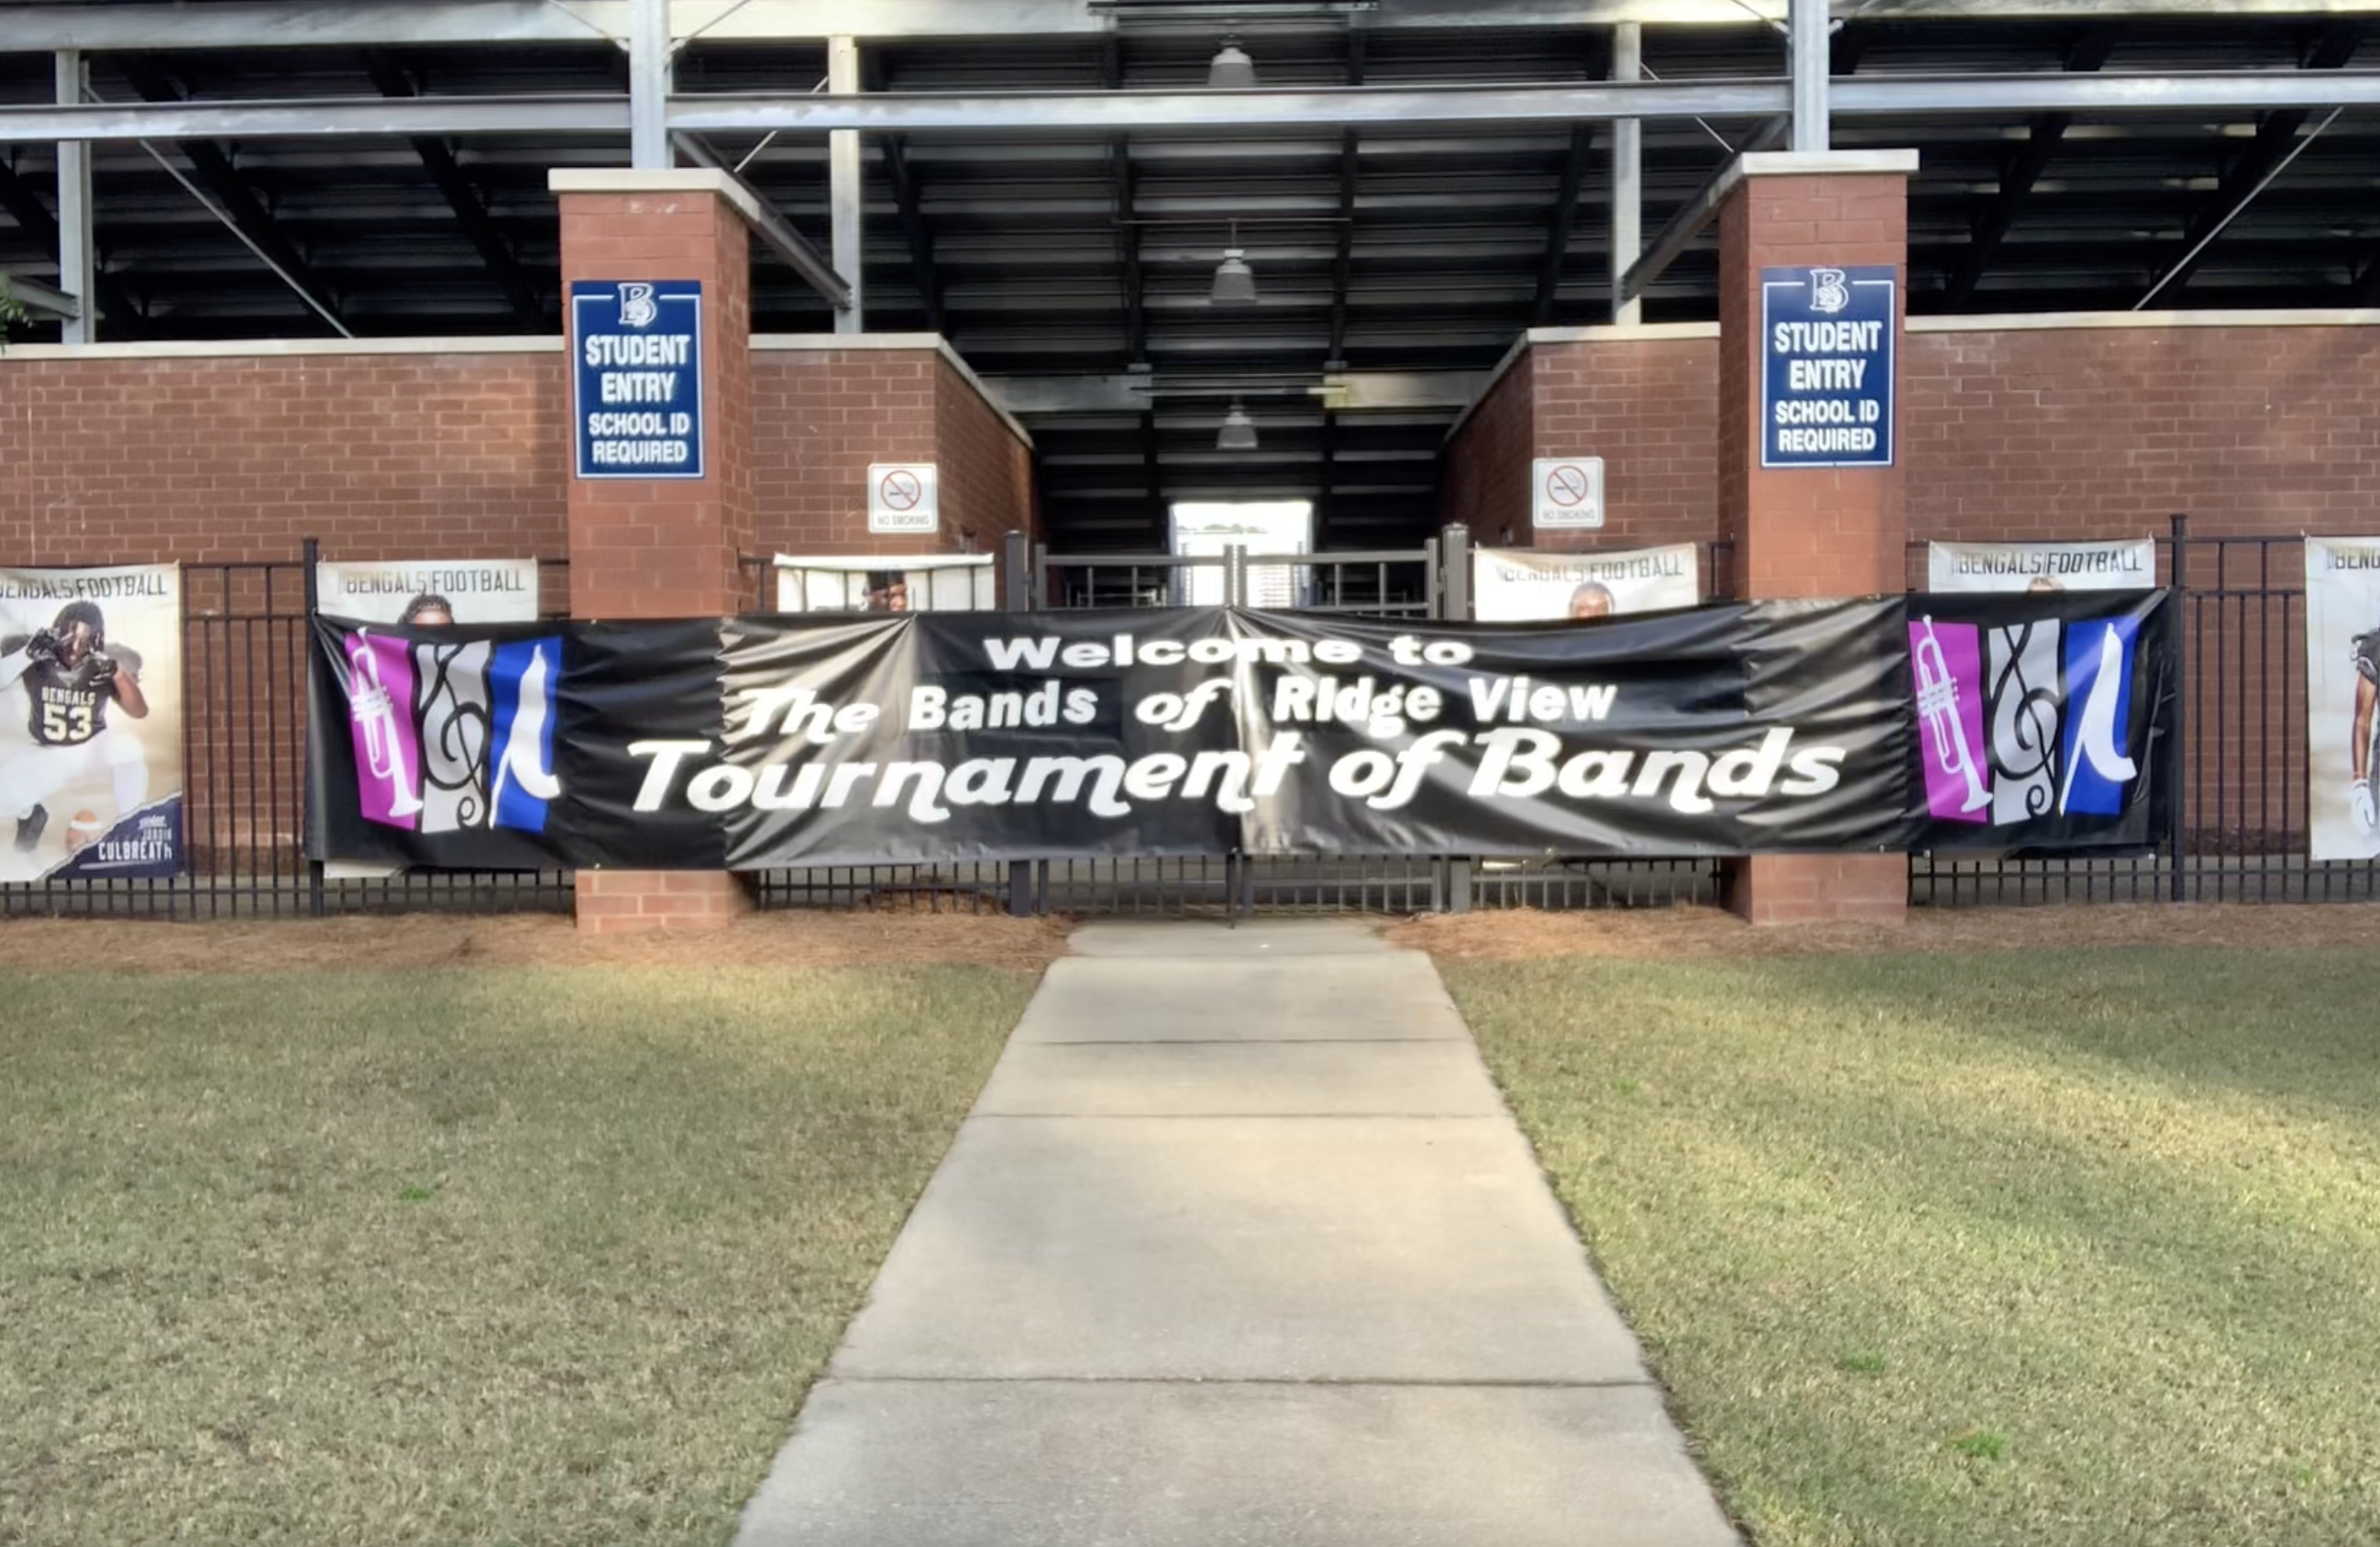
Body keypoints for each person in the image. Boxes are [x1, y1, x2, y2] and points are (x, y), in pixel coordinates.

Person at [0, 601, 151, 853]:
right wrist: (24, 655)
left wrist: (119, 674)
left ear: (97, 640)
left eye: (84, 641)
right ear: (56, 632)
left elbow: (139, 711)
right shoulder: (36, 654)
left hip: (92, 746)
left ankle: (130, 821)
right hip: (45, 750)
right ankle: (31, 813)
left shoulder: (106, 661)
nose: (74, 648)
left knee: (129, 748)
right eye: (69, 638)